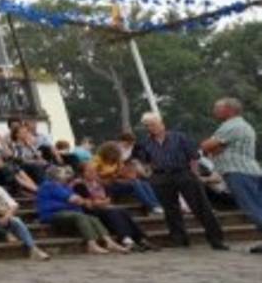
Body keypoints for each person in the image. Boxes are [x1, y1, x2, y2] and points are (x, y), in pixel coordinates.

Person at [135, 112, 227, 250]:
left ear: (161, 124)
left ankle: (215, 239)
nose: (151, 128)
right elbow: (142, 160)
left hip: (183, 172)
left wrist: (194, 174)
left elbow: (194, 156)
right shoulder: (145, 142)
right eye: (147, 126)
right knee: (170, 210)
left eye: (153, 124)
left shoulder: (179, 137)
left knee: (200, 206)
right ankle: (179, 239)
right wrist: (148, 173)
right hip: (161, 176)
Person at [200, 97, 262, 254]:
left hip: (238, 172)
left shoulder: (231, 126)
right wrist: (215, 148)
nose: (214, 111)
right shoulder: (243, 125)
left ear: (228, 110)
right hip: (251, 170)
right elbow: (214, 148)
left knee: (252, 208)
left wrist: (213, 147)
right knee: (258, 206)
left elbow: (206, 146)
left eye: (217, 108)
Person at [36, 167, 130, 255]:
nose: (67, 176)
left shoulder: (64, 186)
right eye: (64, 173)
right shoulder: (50, 185)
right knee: (80, 217)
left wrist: (82, 201)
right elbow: (73, 199)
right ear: (56, 176)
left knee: (93, 218)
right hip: (53, 214)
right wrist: (84, 202)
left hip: (67, 211)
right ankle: (91, 244)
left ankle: (109, 242)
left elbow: (77, 198)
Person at [72, 164, 153, 251]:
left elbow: (108, 196)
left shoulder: (99, 182)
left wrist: (104, 202)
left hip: (104, 207)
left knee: (122, 211)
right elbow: (88, 202)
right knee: (113, 212)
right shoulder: (79, 185)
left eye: (94, 171)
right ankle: (126, 240)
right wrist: (102, 202)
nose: (93, 173)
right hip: (91, 211)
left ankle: (140, 238)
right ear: (82, 174)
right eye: (89, 171)